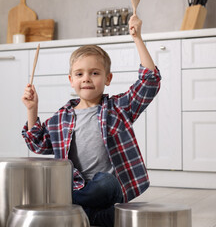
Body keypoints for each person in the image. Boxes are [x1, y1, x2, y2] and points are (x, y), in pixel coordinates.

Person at [21, 14, 161, 227]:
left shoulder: (118, 108)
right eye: (79, 74)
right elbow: (37, 143)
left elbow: (149, 82)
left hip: (107, 187)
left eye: (94, 73)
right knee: (110, 214)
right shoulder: (62, 118)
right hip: (75, 186)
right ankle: (85, 215)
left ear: (107, 78)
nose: (86, 78)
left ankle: (61, 206)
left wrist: (138, 38)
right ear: (71, 80)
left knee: (105, 183)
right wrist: (32, 109)